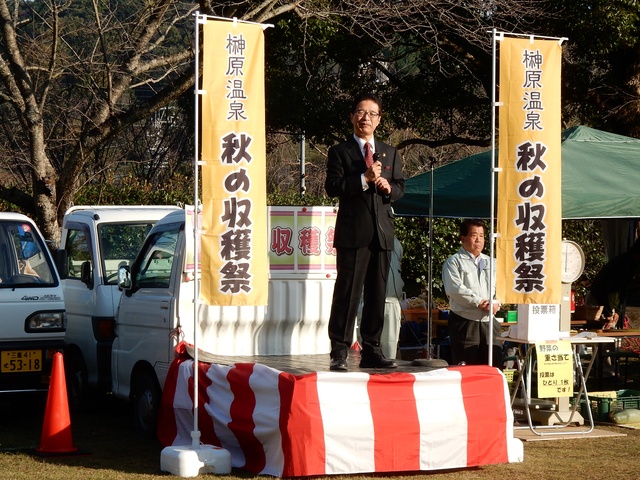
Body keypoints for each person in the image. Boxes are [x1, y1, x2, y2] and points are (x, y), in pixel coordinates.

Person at [325, 92, 405, 371]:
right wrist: (363, 179)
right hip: (353, 233)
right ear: (352, 116)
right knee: (347, 293)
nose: (366, 118)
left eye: (372, 114)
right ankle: (339, 350)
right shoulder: (340, 151)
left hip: (382, 235)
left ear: (379, 120)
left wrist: (387, 188)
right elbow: (332, 187)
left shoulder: (390, 152)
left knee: (377, 293)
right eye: (361, 112)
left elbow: (400, 189)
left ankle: (372, 348)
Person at [442, 218, 502, 366]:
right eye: (474, 235)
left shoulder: (492, 262)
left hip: (489, 321)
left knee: (493, 365)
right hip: (465, 321)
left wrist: (496, 302)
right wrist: (479, 301)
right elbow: (454, 289)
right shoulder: (453, 262)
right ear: (463, 238)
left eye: (481, 236)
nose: (478, 240)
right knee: (467, 367)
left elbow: (502, 287)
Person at [355, 235, 404, 359]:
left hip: (391, 301)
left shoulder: (395, 243)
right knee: (368, 348)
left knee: (389, 349)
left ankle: (387, 376)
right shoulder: (363, 238)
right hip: (368, 301)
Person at [587, 239, 640, 329]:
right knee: (597, 334)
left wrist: (618, 311)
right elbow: (612, 290)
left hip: (608, 303)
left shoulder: (632, 265)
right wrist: (608, 313)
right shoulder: (623, 264)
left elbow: (622, 290)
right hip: (598, 301)